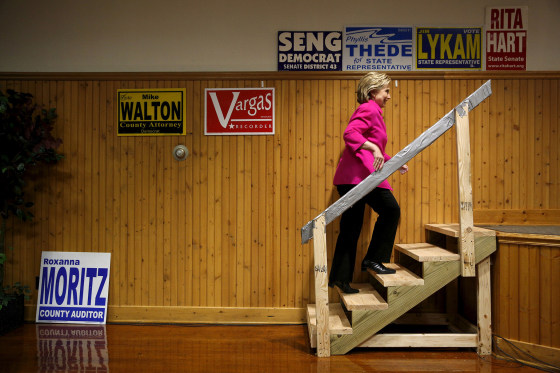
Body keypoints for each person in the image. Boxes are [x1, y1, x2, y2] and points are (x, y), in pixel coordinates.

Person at [328, 72, 408, 294]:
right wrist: (373, 148)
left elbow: (377, 149)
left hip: (357, 178)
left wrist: (394, 163)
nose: (389, 96)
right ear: (373, 92)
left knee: (351, 229)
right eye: (386, 91)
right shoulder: (369, 108)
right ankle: (373, 259)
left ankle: (341, 279)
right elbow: (350, 133)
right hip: (358, 179)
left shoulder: (376, 113)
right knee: (391, 211)